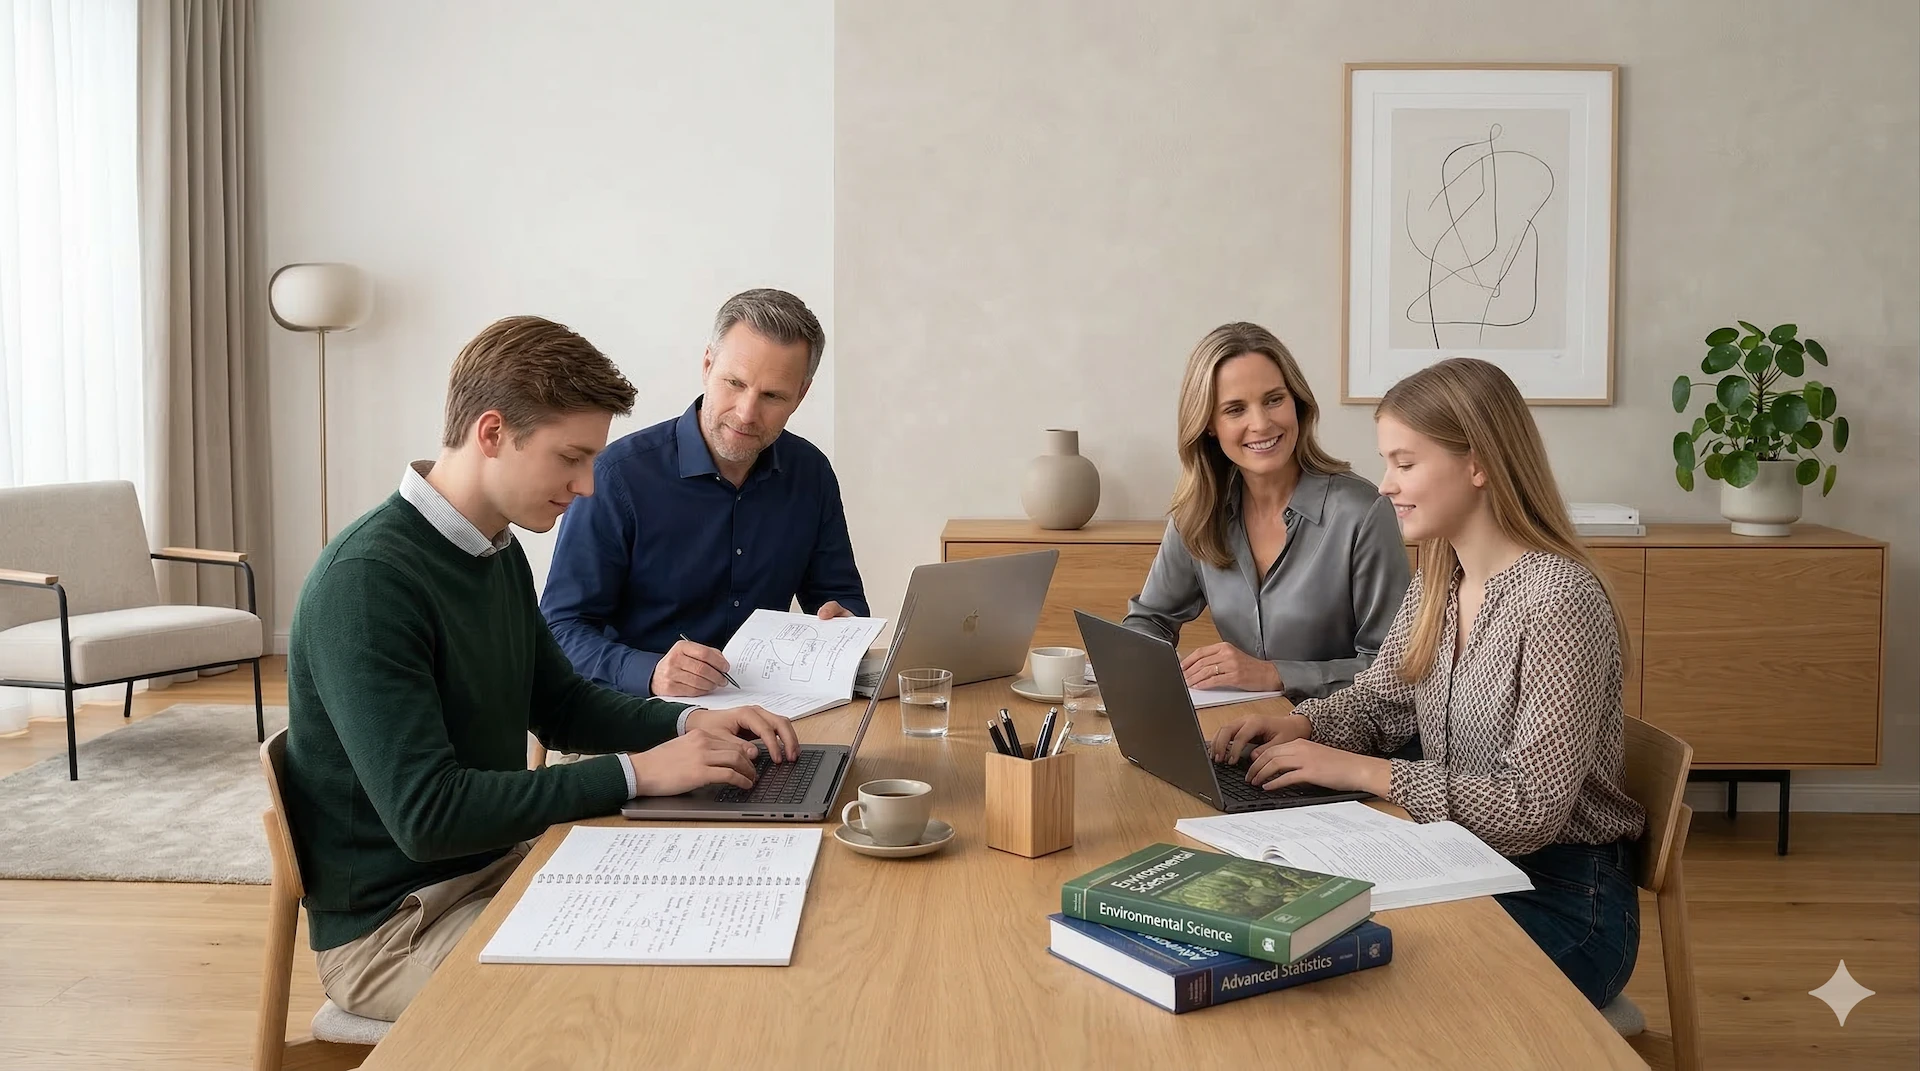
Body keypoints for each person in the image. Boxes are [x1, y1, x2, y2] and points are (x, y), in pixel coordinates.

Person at [282, 315, 800, 1021]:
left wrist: (694, 720)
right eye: (571, 458)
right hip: (398, 928)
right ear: (491, 433)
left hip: (497, 869)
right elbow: (428, 816)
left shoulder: (493, 550)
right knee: (617, 1011)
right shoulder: (368, 582)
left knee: (717, 929)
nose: (588, 486)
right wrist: (639, 772)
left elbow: (562, 705)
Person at [1210, 356, 1647, 1010]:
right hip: (1460, 860)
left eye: (1404, 462)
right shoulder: (1440, 580)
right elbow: (1381, 705)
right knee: (1299, 939)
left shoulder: (1558, 600)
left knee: (1372, 989)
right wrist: (1303, 725)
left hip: (1565, 898)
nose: (1385, 485)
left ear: (1478, 463)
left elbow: (1531, 808)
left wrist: (1365, 773)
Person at [542, 288, 867, 698]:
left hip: (771, 712)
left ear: (800, 395)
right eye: (735, 383)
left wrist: (844, 625)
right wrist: (651, 671)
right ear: (708, 364)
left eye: (772, 396)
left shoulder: (811, 473)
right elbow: (559, 630)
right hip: (639, 717)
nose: (747, 413)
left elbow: (841, 600)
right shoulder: (616, 476)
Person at [1123, 322, 1410, 702]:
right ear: (1209, 424)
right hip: (1238, 731)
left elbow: (1392, 669)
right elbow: (1149, 620)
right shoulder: (1198, 514)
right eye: (1235, 409)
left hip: (1337, 744)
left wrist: (1276, 674)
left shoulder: (1363, 513)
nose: (1260, 424)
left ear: (1297, 403)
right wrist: (1161, 670)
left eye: (1274, 399)